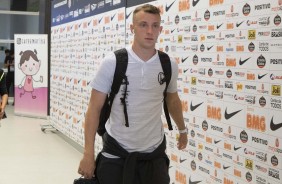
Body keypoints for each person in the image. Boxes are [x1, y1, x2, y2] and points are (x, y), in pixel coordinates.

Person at [78, 4, 187, 184]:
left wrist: (182, 130)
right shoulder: (113, 62)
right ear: (132, 28)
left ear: (160, 29)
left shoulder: (168, 64)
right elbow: (94, 109)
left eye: (155, 25)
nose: (149, 31)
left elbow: (172, 99)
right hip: (116, 152)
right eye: (143, 25)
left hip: (154, 154)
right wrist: (88, 154)